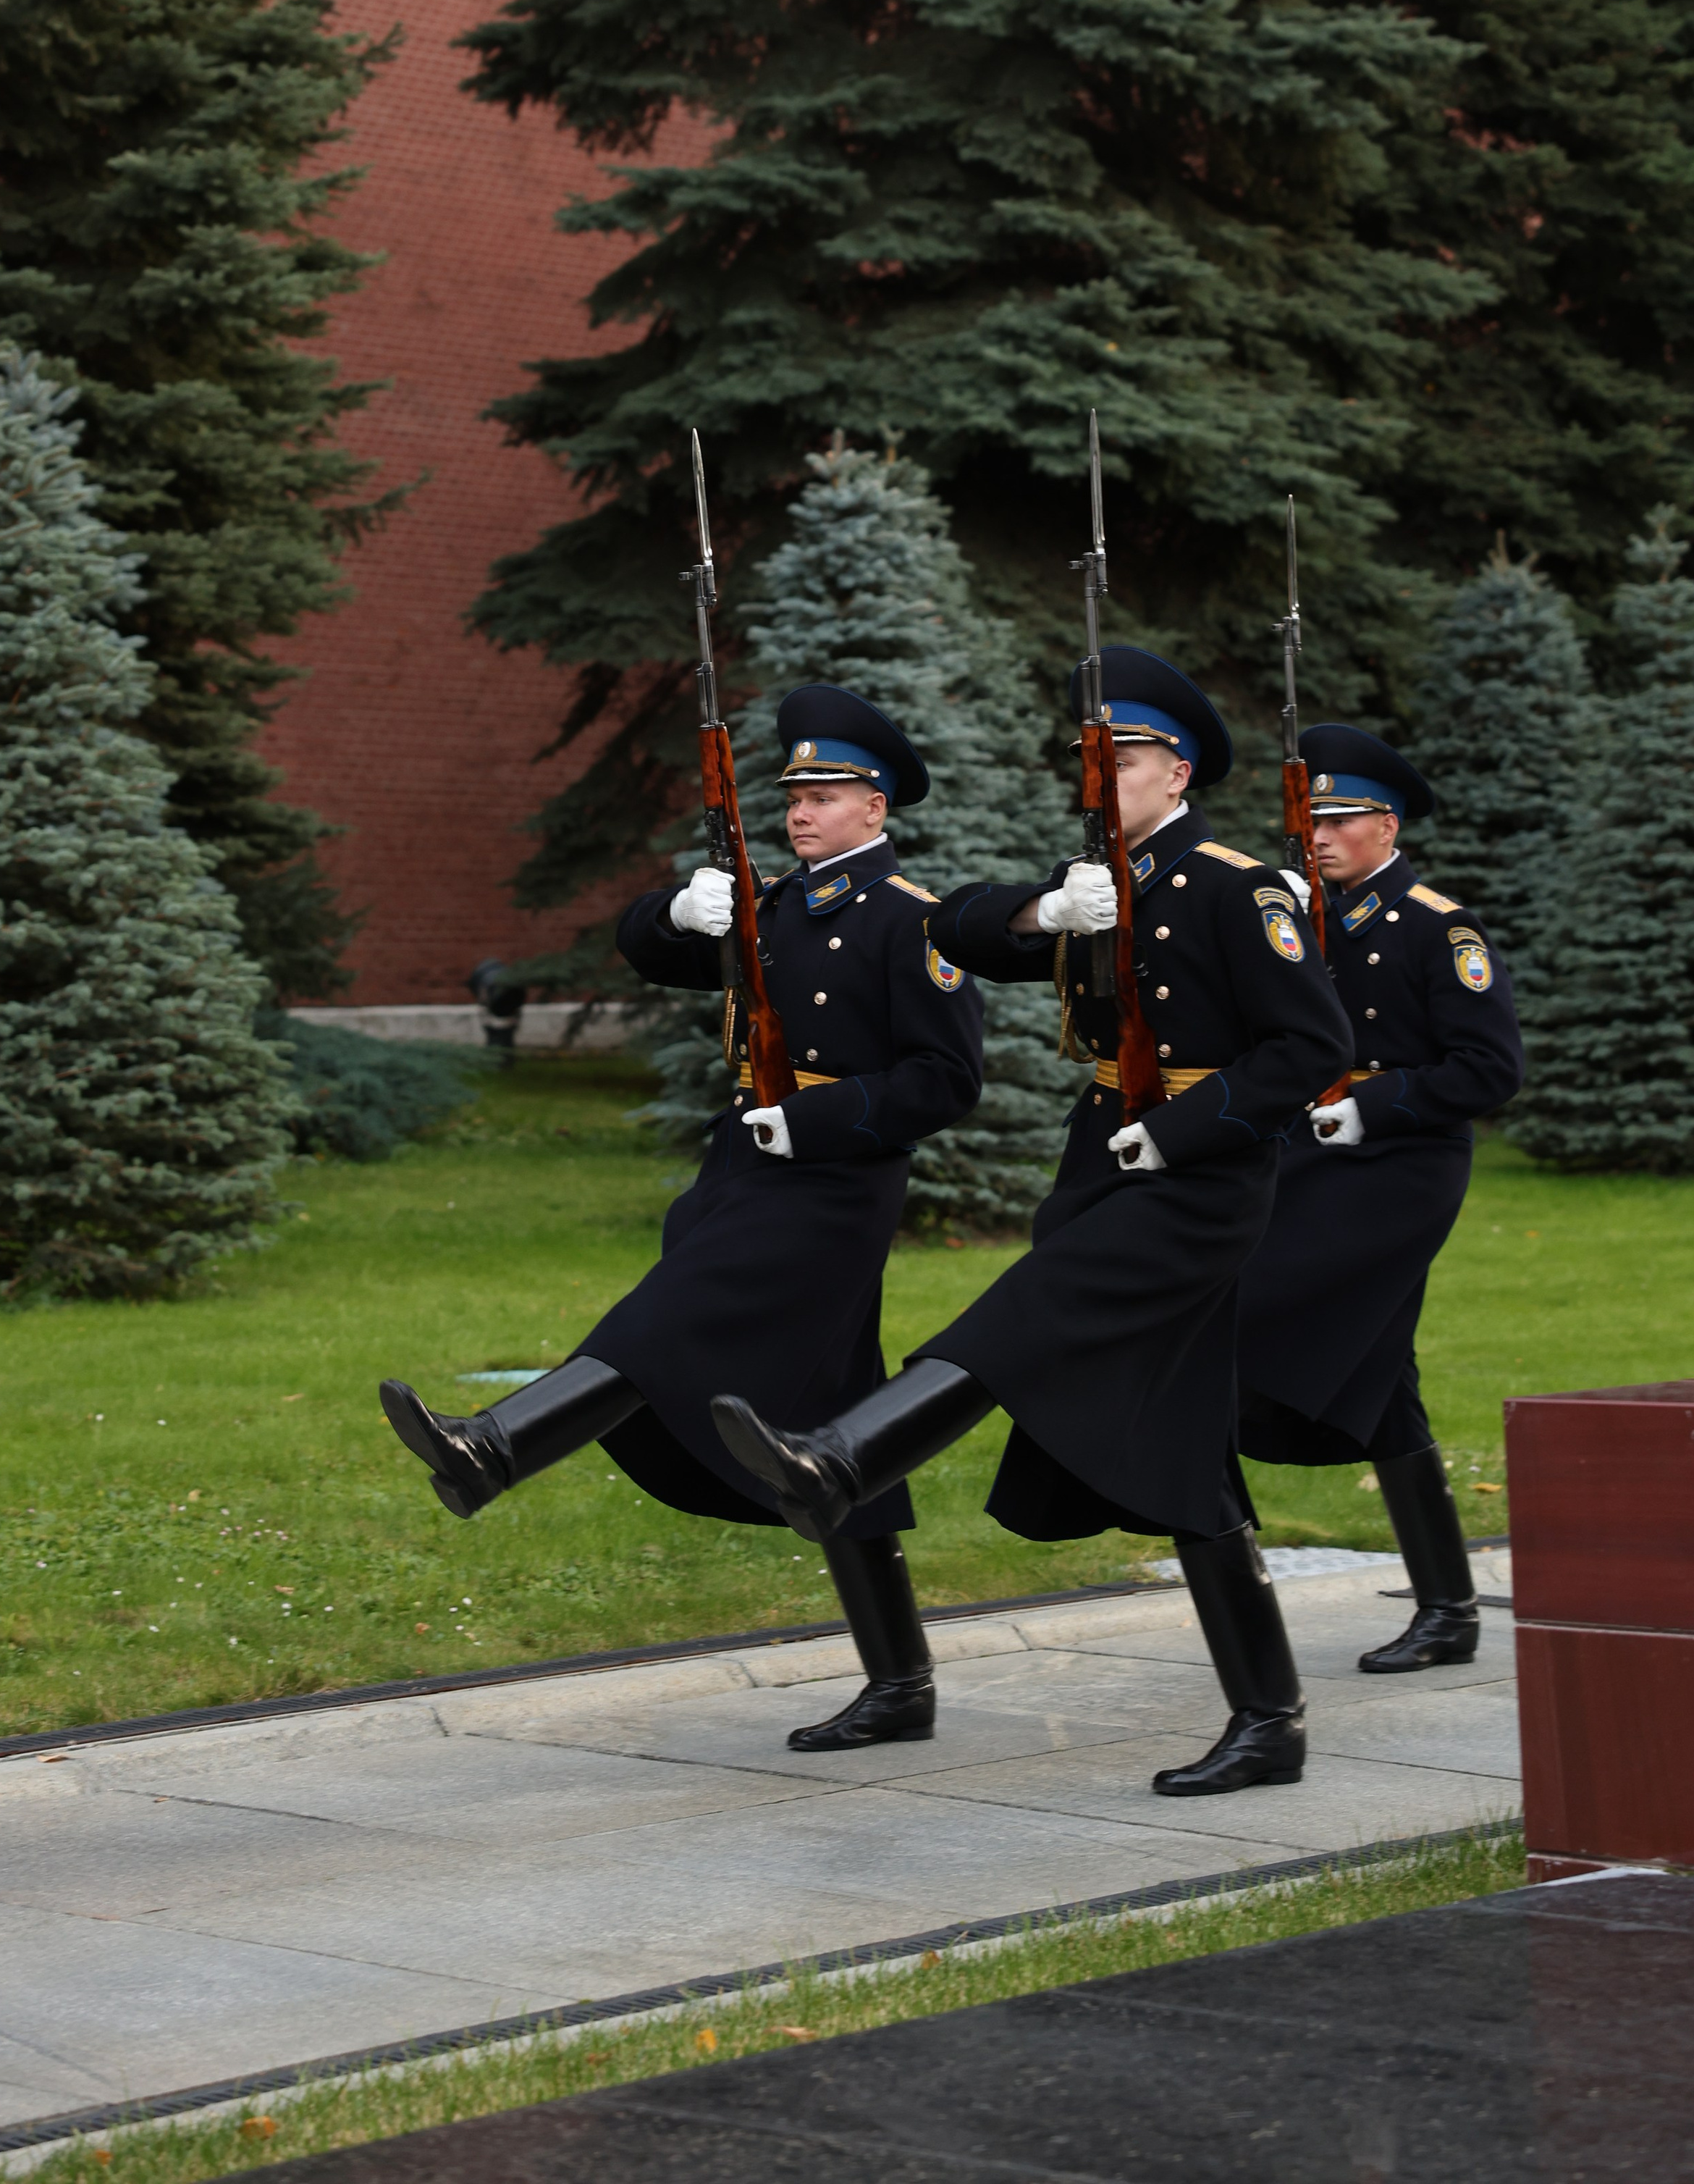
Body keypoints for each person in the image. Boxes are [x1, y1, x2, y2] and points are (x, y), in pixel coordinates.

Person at [714, 648, 1354, 1797]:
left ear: (1180, 768)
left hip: (1200, 1180)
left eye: (1125, 758)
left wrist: (1185, 1131)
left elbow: (1309, 1049)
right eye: (1089, 760)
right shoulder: (1100, 879)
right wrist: (1043, 909)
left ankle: (848, 1456)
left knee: (1023, 1315)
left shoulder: (1237, 885)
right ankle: (1271, 1717)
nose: (1100, 777)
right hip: (1104, 1160)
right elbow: (953, 929)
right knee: (1189, 1448)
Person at [379, 685, 985, 1752]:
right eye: (793, 793)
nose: (800, 811)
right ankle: (903, 1685)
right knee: (842, 1419)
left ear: (876, 806)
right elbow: (647, 949)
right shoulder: (780, 903)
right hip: (743, 1165)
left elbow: (946, 1080)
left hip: (835, 1181)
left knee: (665, 1322)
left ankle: (495, 1448)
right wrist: (675, 912)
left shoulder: (913, 919)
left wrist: (817, 1122)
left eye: (826, 794)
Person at [1234, 724, 1524, 1673]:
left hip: (1398, 1170)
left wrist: (1374, 1105)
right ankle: (1448, 1608)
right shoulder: (1301, 917)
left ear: (1385, 824)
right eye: (1307, 818)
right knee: (1384, 1376)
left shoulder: (1438, 925)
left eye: (1337, 818)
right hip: (1308, 1156)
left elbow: (1488, 1068)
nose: (1315, 834)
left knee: (1257, 1304)